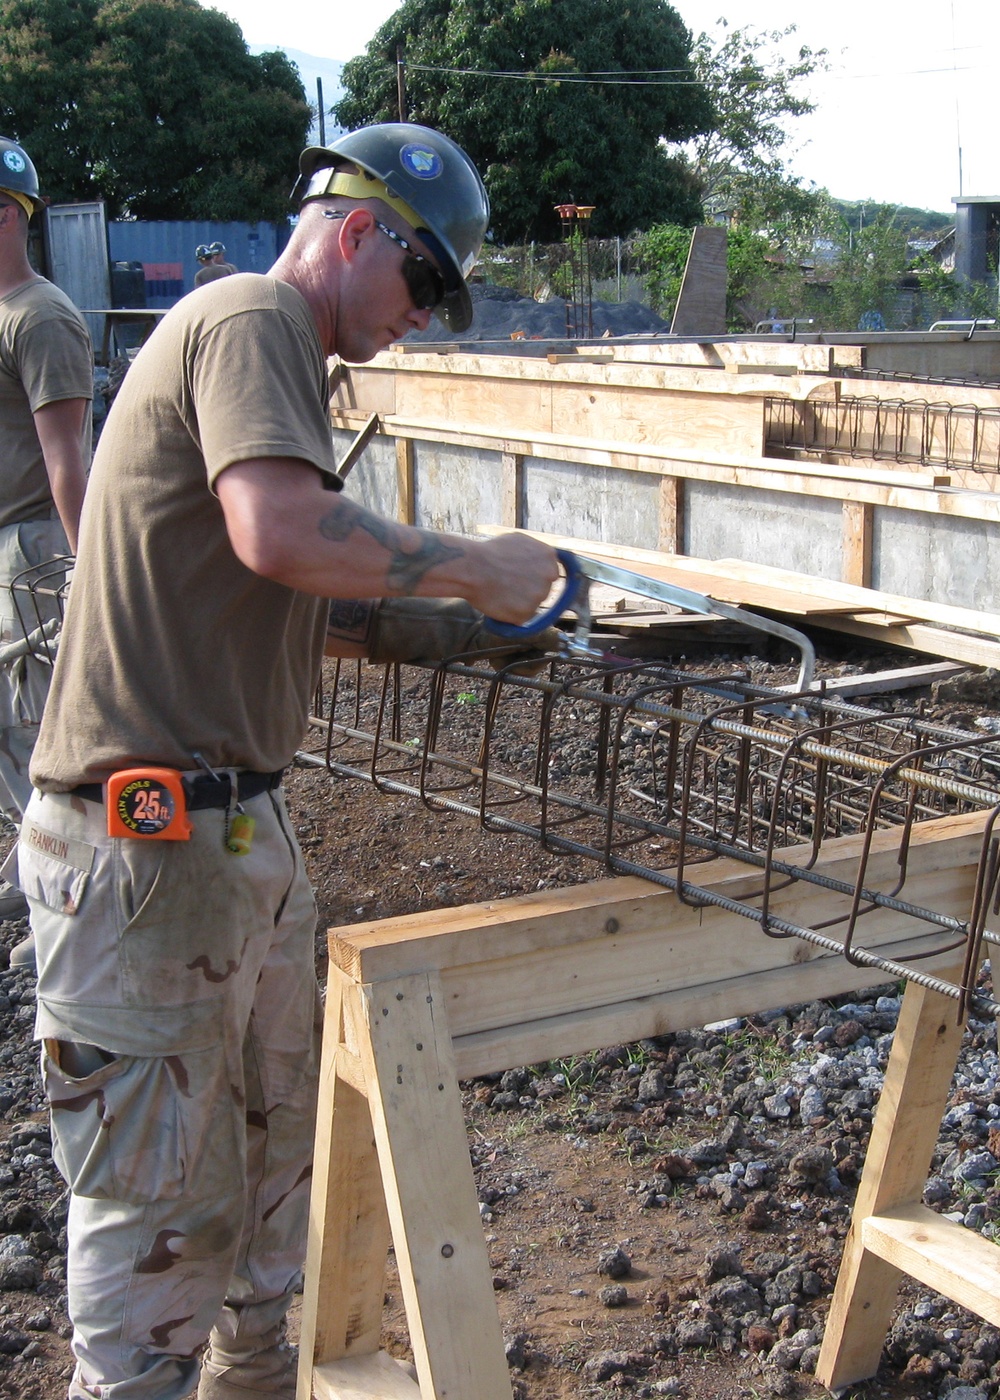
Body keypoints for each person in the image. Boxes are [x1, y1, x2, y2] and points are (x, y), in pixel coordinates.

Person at [15, 122, 560, 1400]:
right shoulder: (252, 312)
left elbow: (302, 589)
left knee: (267, 1174)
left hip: (230, 841)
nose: (422, 318)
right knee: (158, 1205)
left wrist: (478, 627)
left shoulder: (283, 371)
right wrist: (477, 562)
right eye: (425, 283)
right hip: (142, 842)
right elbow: (277, 532)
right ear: (360, 227)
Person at [0, 134, 91, 933]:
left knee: (42, 743)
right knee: (8, 740)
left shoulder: (40, 318)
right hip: (4, 551)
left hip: (34, 550)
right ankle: (29, 882)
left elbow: (70, 459)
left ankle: (61, 922)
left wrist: (92, 576)